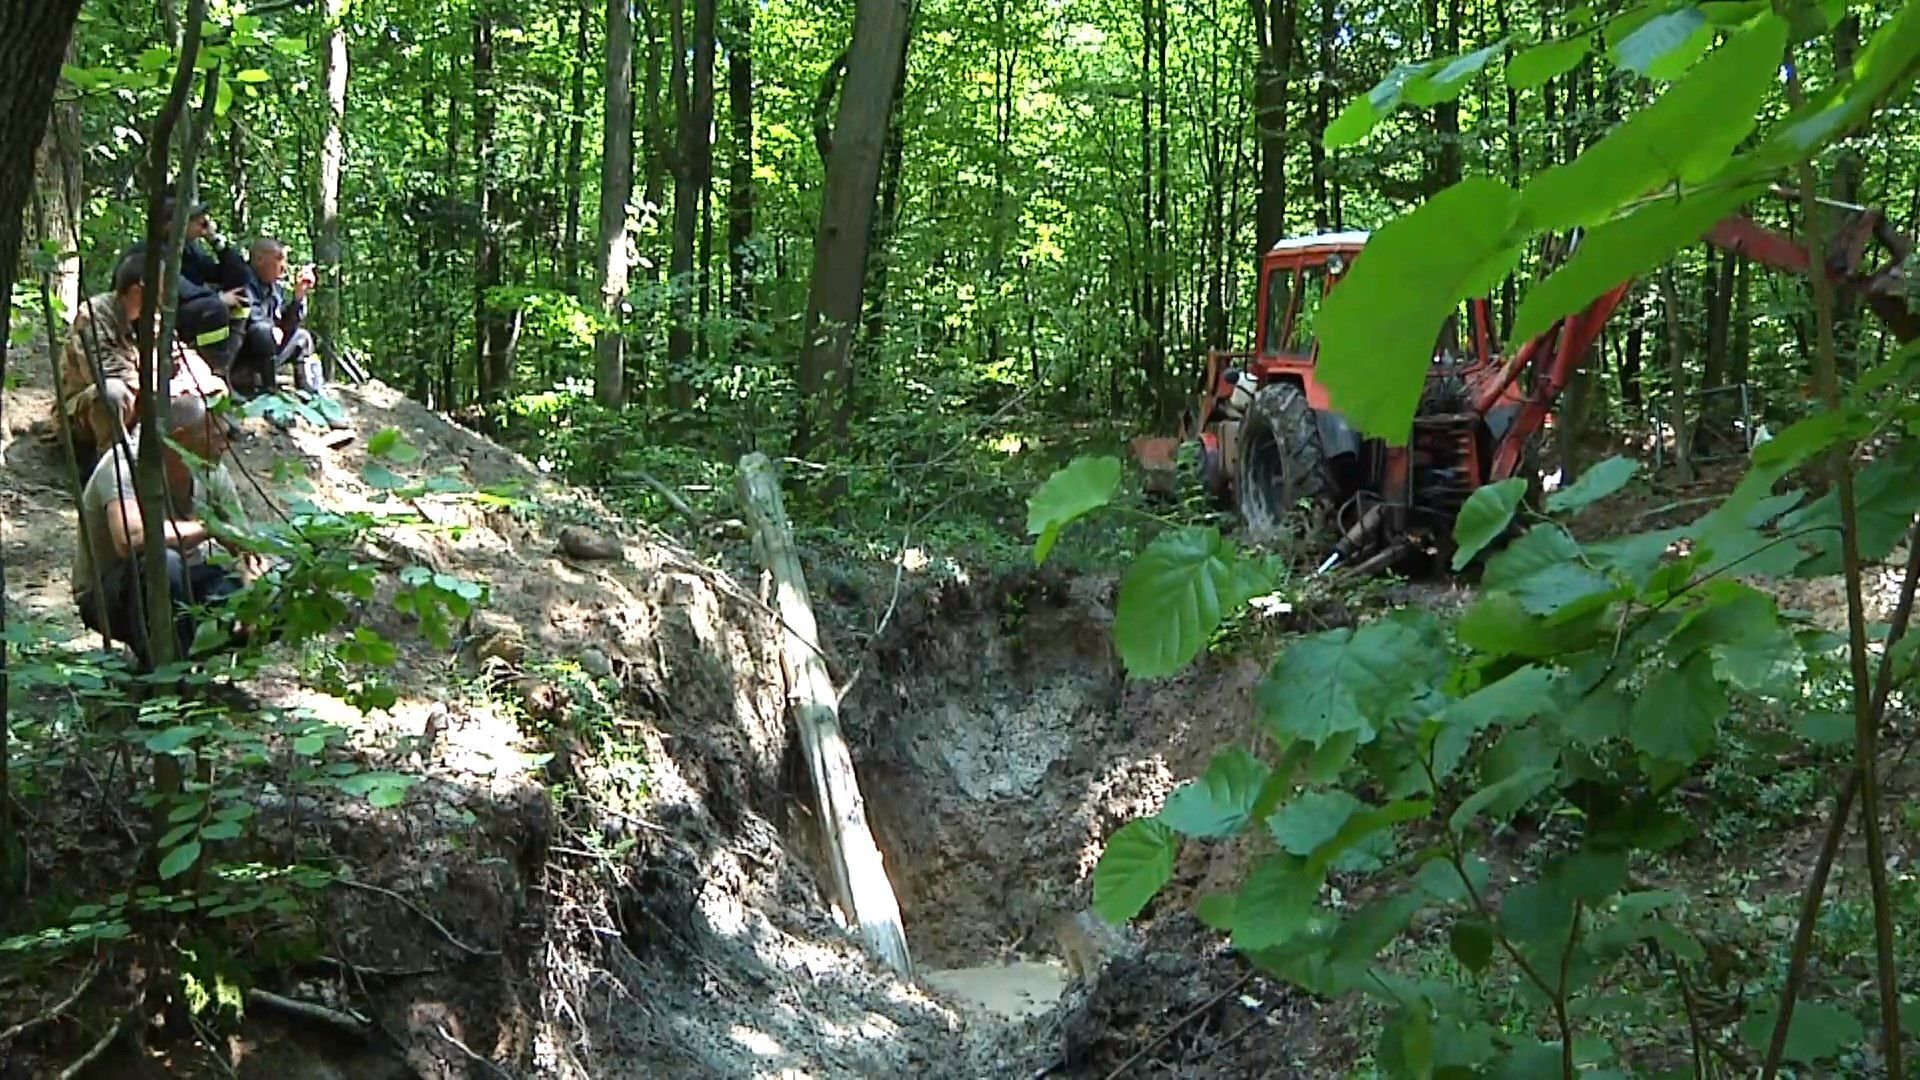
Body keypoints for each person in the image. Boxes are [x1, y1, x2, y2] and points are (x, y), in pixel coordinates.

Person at [72, 389, 264, 669]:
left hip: (185, 583)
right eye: (214, 434)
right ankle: (165, 671)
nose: (224, 442)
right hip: (110, 594)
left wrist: (252, 595)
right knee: (164, 562)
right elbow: (130, 538)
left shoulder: (212, 471)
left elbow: (245, 546)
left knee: (280, 585)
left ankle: (182, 657)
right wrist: (209, 528)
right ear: (182, 438)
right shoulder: (124, 465)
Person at [57, 252, 230, 468]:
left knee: (213, 387)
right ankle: (112, 468)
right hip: (88, 414)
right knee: (113, 393)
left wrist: (194, 381)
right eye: (160, 290)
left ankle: (186, 466)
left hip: (144, 402)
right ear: (137, 291)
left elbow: (180, 355)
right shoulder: (93, 315)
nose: (166, 296)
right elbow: (108, 374)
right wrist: (167, 389)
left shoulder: (152, 318)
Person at [121, 196, 251, 374]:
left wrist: (216, 242)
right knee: (215, 307)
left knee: (242, 298)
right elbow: (177, 289)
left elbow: (239, 277)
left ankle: (224, 368)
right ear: (171, 226)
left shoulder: (189, 251)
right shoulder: (149, 251)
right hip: (153, 318)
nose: (202, 223)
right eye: (195, 220)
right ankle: (212, 368)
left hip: (181, 312)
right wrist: (219, 298)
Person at [230, 237, 340, 423]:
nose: (284, 266)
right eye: (279, 259)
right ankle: (268, 395)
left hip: (268, 356)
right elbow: (250, 318)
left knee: (302, 337)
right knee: (263, 331)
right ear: (259, 259)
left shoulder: (274, 288)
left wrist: (299, 295)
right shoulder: (242, 280)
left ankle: (313, 394)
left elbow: (286, 325)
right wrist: (271, 327)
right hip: (242, 360)